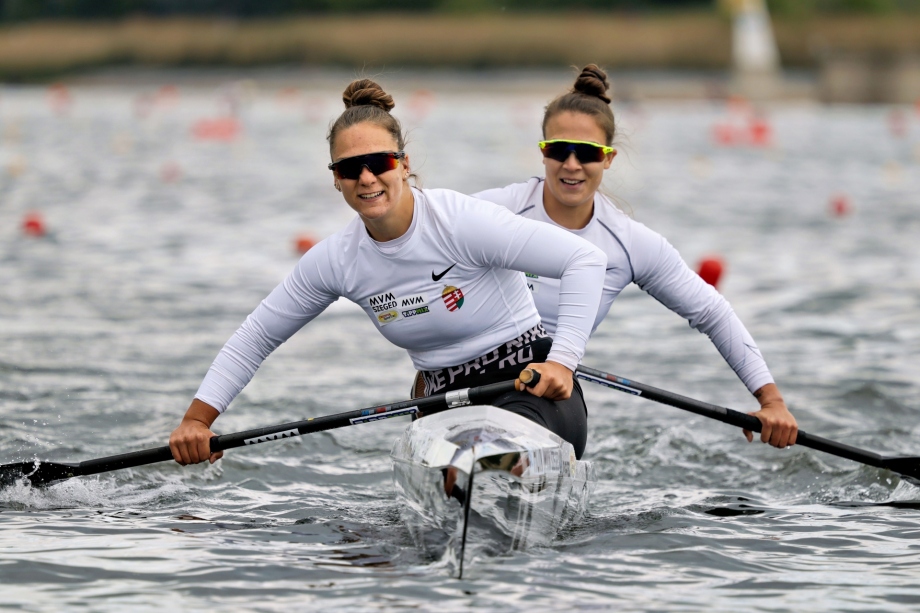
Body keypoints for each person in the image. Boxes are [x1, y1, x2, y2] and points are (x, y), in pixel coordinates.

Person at [169, 78, 607, 466]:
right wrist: (196, 420)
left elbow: (585, 261)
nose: (365, 178)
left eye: (378, 162)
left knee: (483, 463)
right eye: (348, 168)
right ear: (335, 179)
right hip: (442, 406)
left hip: (531, 389)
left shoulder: (461, 222)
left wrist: (564, 363)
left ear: (403, 163)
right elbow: (256, 337)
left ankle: (492, 477)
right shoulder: (337, 259)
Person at [473, 65, 798, 449]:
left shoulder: (628, 242)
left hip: (546, 390)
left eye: (589, 153)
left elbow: (713, 313)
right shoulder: (491, 211)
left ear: (608, 158)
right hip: (466, 379)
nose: (572, 164)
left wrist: (771, 400)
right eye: (559, 150)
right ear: (543, 152)